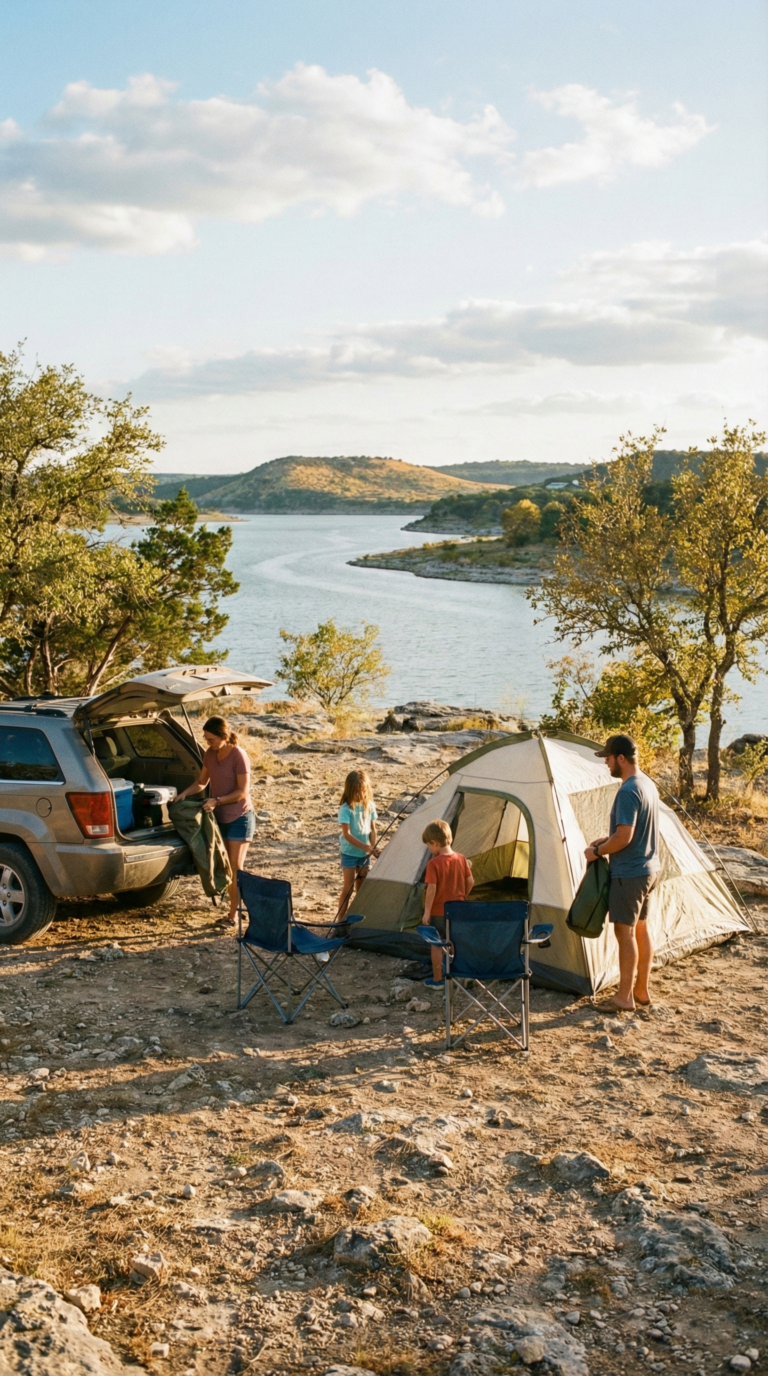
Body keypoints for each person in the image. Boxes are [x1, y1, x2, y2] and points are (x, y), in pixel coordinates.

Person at [585, 732, 660, 1012]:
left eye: (608, 758)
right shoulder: (647, 784)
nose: (606, 763)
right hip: (649, 867)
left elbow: (625, 837)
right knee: (641, 928)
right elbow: (631, 833)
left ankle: (624, 997)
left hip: (629, 873)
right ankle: (640, 991)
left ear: (620, 758)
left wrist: (596, 852)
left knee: (623, 932)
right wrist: (604, 841)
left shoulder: (628, 791)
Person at [177, 716, 254, 926]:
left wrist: (217, 801)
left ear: (223, 736)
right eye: (205, 738)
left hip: (240, 816)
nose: (207, 742)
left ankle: (234, 915)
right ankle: (238, 908)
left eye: (210, 739)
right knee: (225, 866)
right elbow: (202, 782)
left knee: (236, 867)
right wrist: (184, 795)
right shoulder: (210, 754)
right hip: (218, 817)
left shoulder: (239, 755)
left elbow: (242, 791)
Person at [421, 819, 474, 986]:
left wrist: (427, 912)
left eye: (429, 846)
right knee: (456, 941)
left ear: (434, 843)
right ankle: (461, 975)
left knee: (437, 944)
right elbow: (471, 880)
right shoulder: (461, 858)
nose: (429, 850)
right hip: (458, 909)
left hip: (439, 911)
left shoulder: (434, 863)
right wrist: (462, 896)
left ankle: (438, 979)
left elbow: (431, 889)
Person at [337, 770, 379, 921]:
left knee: (361, 889)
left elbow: (373, 830)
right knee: (348, 888)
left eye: (363, 791)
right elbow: (347, 835)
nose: (360, 795)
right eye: (357, 792)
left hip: (364, 854)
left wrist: (373, 846)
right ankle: (340, 919)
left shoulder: (370, 806)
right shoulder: (346, 809)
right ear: (350, 791)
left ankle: (357, 918)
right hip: (349, 853)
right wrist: (365, 846)